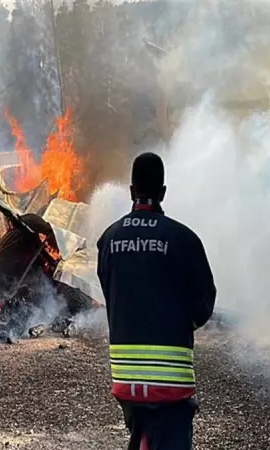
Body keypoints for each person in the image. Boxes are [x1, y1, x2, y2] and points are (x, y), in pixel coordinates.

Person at [96, 152, 217, 450]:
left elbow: (110, 293)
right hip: (170, 380)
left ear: (131, 191)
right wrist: (177, 321)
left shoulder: (108, 240)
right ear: (163, 192)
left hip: (125, 379)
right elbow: (205, 302)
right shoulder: (184, 239)